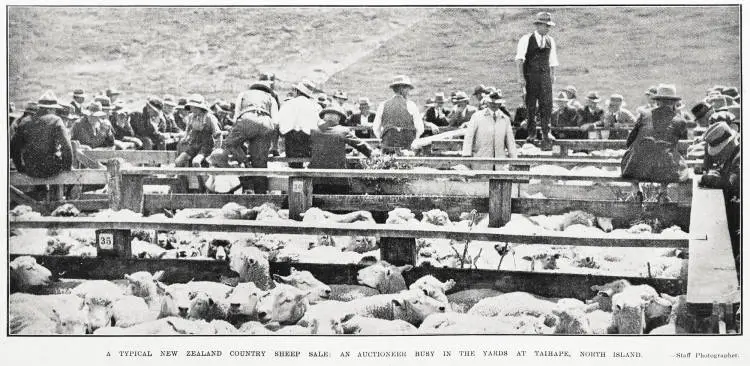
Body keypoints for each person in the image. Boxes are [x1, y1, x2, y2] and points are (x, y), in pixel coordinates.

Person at [621, 84, 689, 203]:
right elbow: (678, 143)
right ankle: (663, 191)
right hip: (664, 168)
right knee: (668, 154)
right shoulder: (680, 120)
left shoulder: (644, 115)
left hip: (637, 166)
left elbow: (629, 140)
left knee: (632, 155)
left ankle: (636, 190)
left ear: (658, 101)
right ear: (674, 103)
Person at [697, 122, 741, 269]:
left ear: (728, 145)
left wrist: (709, 179)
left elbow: (732, 184)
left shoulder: (740, 157)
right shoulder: (734, 153)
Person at [225, 80, 279, 193]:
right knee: (260, 163)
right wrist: (274, 146)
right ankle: (261, 197)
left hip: (248, 118)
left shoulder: (243, 94)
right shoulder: (271, 98)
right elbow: (275, 123)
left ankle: (246, 165)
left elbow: (236, 117)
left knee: (230, 143)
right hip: (266, 122)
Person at [515, 11, 559, 150]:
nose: (548, 28)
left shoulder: (550, 40)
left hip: (545, 77)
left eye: (549, 26)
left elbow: (552, 60)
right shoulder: (526, 39)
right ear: (539, 25)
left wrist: (552, 75)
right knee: (531, 106)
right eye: (546, 25)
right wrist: (521, 77)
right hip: (531, 76)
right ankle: (532, 133)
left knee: (547, 105)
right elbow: (520, 59)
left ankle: (547, 132)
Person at [10, 91, 73, 181]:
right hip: (51, 170)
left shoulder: (25, 121)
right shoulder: (56, 120)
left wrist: (20, 167)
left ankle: (42, 193)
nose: (55, 112)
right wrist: (67, 169)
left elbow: (14, 147)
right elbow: (67, 147)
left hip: (30, 170)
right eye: (54, 109)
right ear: (49, 109)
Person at [310, 106, 375, 193]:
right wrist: (374, 154)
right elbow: (362, 146)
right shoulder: (343, 131)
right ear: (339, 118)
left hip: (316, 178)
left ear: (323, 117)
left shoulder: (313, 131)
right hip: (339, 178)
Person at [461, 91, 518, 170]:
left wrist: (514, 160)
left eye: (496, 103)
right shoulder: (477, 117)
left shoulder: (505, 119)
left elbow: (510, 142)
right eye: (491, 102)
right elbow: (469, 137)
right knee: (480, 180)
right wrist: (466, 157)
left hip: (500, 162)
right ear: (487, 103)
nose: (494, 105)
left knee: (499, 180)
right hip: (480, 159)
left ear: (500, 104)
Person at [372, 75, 424, 154]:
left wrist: (384, 138)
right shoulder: (411, 105)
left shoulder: (383, 105)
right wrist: (414, 140)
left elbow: (376, 128)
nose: (408, 91)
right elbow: (420, 128)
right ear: (401, 89)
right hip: (407, 145)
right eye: (407, 88)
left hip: (388, 145)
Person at [277, 81, 320, 168]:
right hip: (307, 140)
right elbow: (318, 125)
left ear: (297, 91)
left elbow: (280, 123)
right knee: (305, 164)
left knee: (293, 165)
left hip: (291, 139)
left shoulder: (288, 104)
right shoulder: (315, 106)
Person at [175, 94, 222, 168]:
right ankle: (182, 178)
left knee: (196, 162)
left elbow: (218, 134)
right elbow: (188, 129)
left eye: (195, 107)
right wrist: (185, 138)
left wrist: (216, 151)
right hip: (193, 145)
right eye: (192, 107)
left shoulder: (209, 118)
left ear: (201, 108)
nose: (193, 109)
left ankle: (202, 179)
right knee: (178, 161)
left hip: (206, 147)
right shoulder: (191, 117)